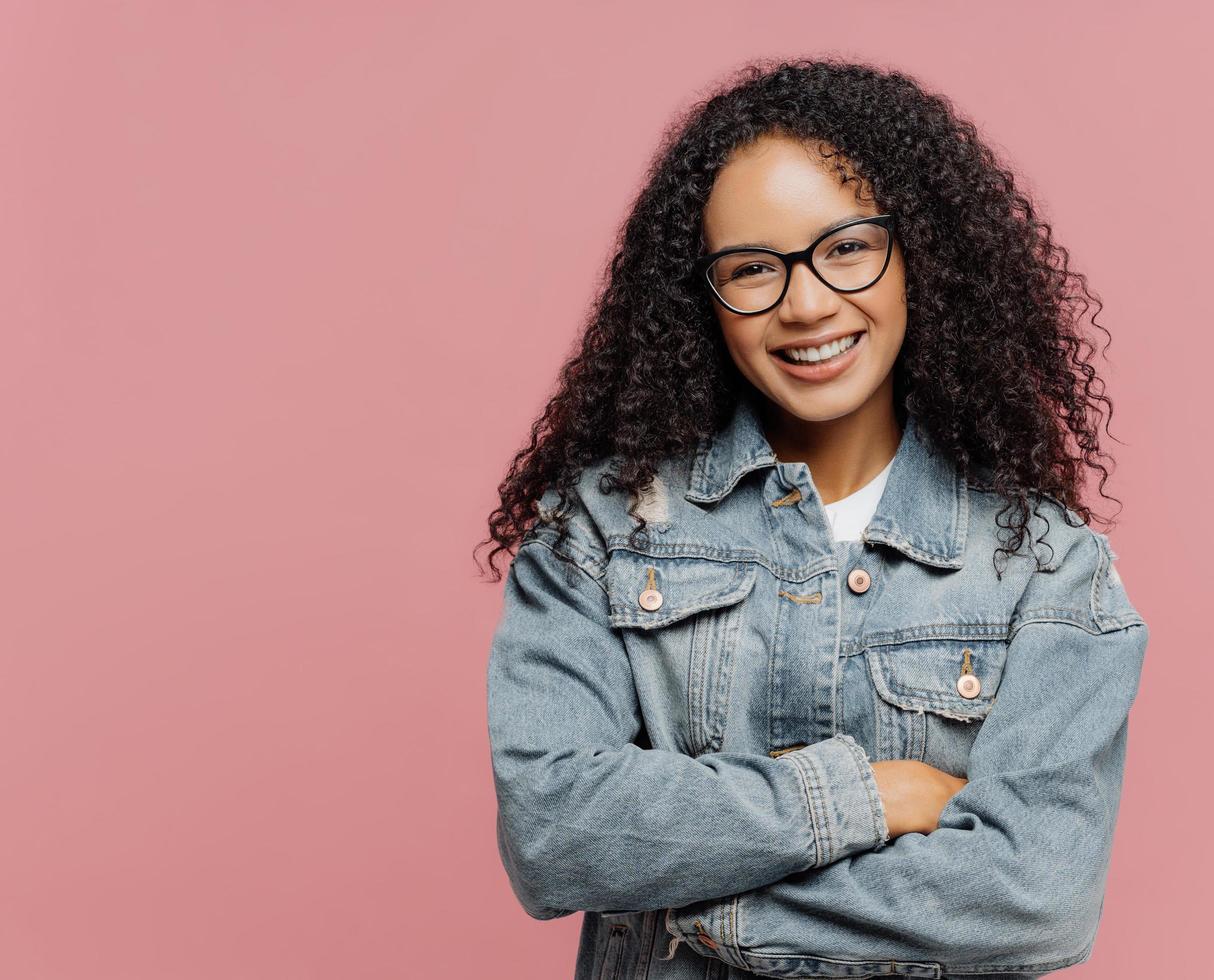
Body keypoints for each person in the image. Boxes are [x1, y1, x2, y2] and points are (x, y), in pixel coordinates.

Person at [477, 57, 1149, 980]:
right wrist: (861, 798)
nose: (804, 304)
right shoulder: (600, 535)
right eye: (753, 268)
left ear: (922, 253)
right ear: (701, 302)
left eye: (845, 248)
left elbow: (1037, 898)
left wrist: (702, 909)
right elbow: (553, 832)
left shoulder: (1044, 566)